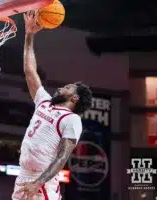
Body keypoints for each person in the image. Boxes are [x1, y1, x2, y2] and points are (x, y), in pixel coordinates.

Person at [11, 11, 93, 200]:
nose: (61, 88)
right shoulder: (44, 101)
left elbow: (62, 158)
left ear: (74, 99)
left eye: (67, 88)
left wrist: (38, 183)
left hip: (42, 183)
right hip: (24, 176)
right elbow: (30, 71)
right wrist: (29, 35)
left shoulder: (71, 120)